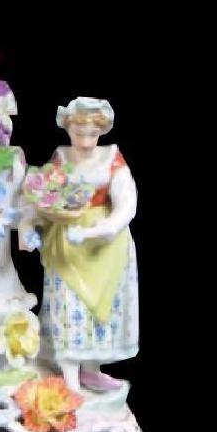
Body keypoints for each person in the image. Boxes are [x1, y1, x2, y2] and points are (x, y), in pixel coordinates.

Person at [19, 97, 138, 394]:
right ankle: (70, 376)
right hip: (67, 244)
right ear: (68, 128)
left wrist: (102, 228)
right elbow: (41, 195)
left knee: (100, 309)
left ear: (102, 131)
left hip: (104, 248)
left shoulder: (112, 159)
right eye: (79, 133)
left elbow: (126, 204)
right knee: (68, 307)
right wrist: (30, 225)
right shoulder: (61, 159)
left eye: (92, 134)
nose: (85, 141)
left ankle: (91, 369)